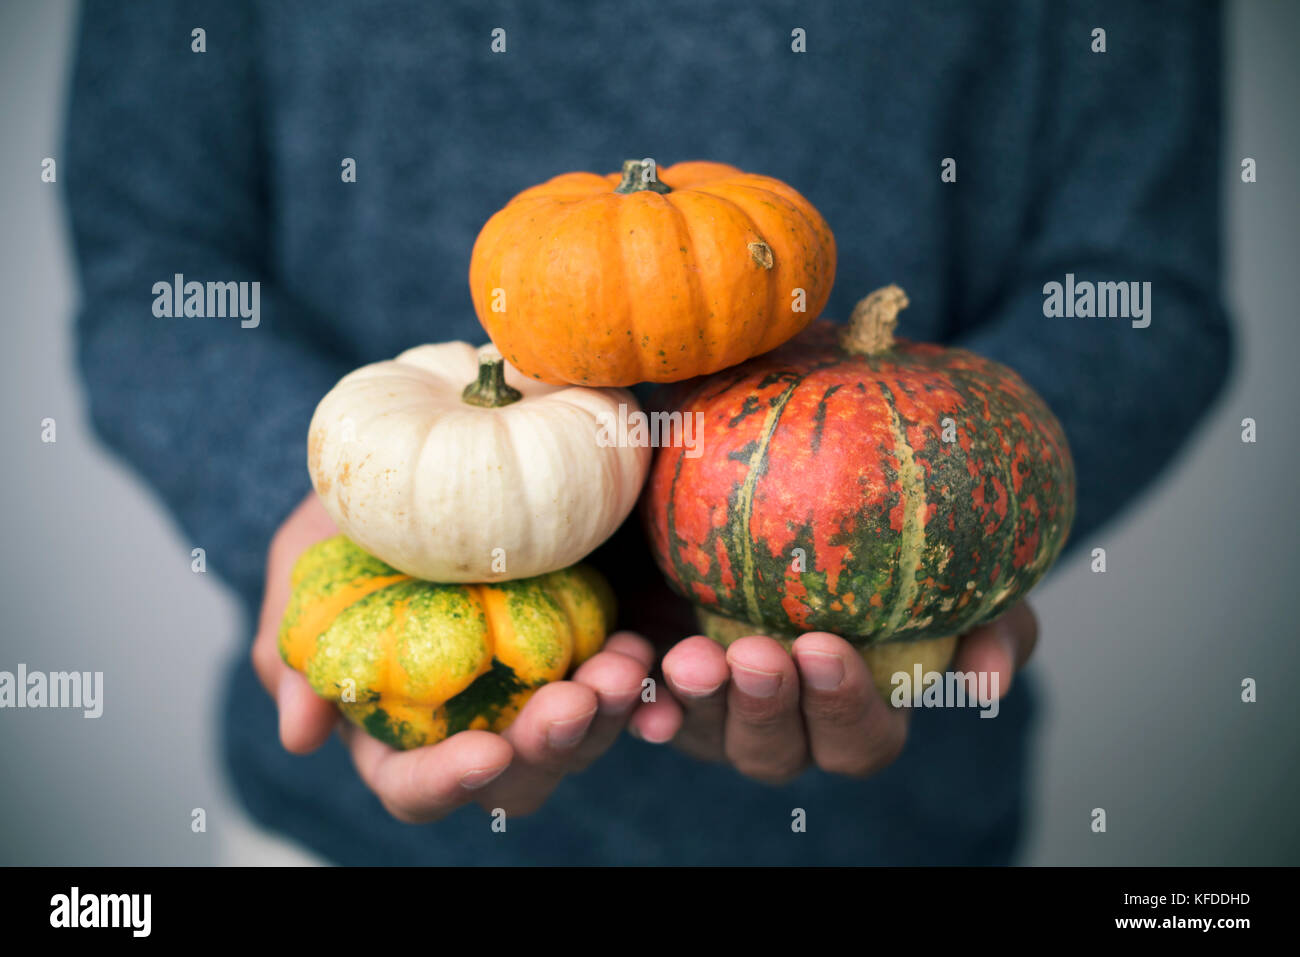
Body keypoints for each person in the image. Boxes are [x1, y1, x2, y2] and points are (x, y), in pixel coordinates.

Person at [66, 0, 1231, 864]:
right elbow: (151, 266)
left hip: (878, 818)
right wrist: (315, 500)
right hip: (348, 828)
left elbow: (1139, 289)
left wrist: (942, 504)